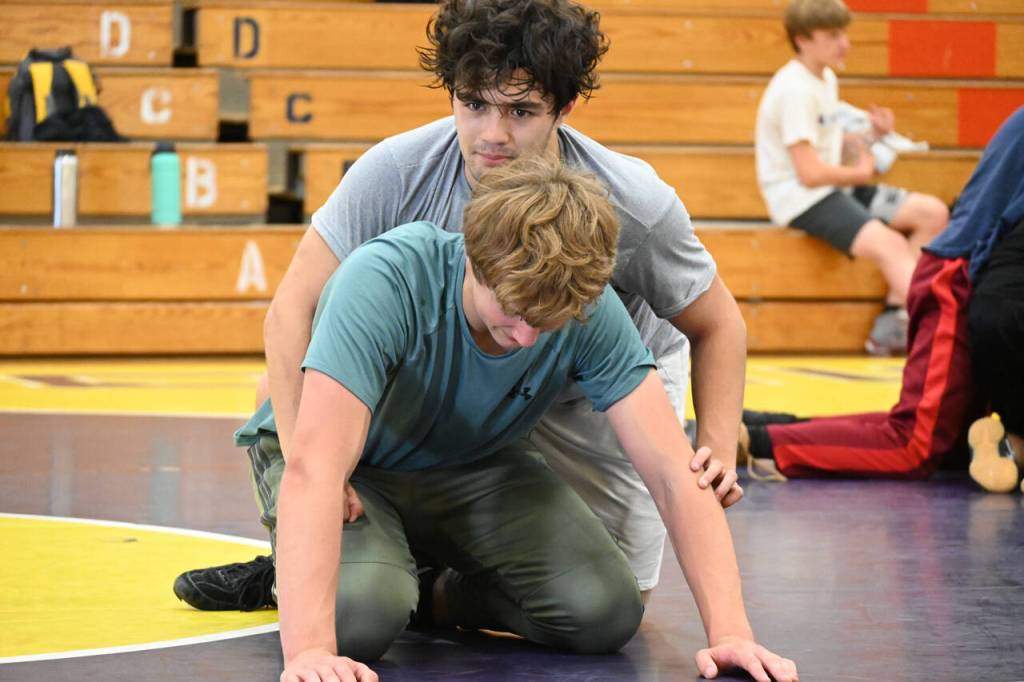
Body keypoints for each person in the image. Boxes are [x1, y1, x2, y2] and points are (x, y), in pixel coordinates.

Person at [174, 0, 748, 611]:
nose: (493, 134)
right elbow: (291, 311)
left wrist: (713, 445)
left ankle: (431, 588)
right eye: (473, 104)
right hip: (456, 380)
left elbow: (718, 322)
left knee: (614, 600)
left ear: (566, 107)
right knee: (316, 475)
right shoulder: (398, 172)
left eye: (521, 111)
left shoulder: (631, 202)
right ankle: (304, 568)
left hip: (590, 390)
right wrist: (303, 462)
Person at [241, 158, 797, 681]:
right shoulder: (386, 282)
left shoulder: (585, 301)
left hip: (472, 462)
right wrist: (309, 650)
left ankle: (427, 590)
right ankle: (302, 575)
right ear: (475, 261)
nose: (528, 337)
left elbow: (676, 473)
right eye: (513, 310)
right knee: (358, 618)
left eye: (548, 322)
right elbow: (315, 468)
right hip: (354, 467)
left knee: (603, 610)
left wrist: (731, 633)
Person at [740, 106, 1024, 491]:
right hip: (958, 274)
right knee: (913, 444)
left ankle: (752, 427)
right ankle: (751, 442)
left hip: (966, 267)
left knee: (945, 442)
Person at [755, 0, 949, 356]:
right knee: (890, 245)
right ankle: (939, 339)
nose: (844, 43)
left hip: (832, 187)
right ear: (803, 39)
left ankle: (894, 320)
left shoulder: (824, 77)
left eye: (844, 33)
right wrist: (859, 172)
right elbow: (809, 172)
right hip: (801, 197)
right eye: (832, 35)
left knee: (932, 213)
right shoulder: (795, 89)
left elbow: (827, 148)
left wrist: (872, 136)